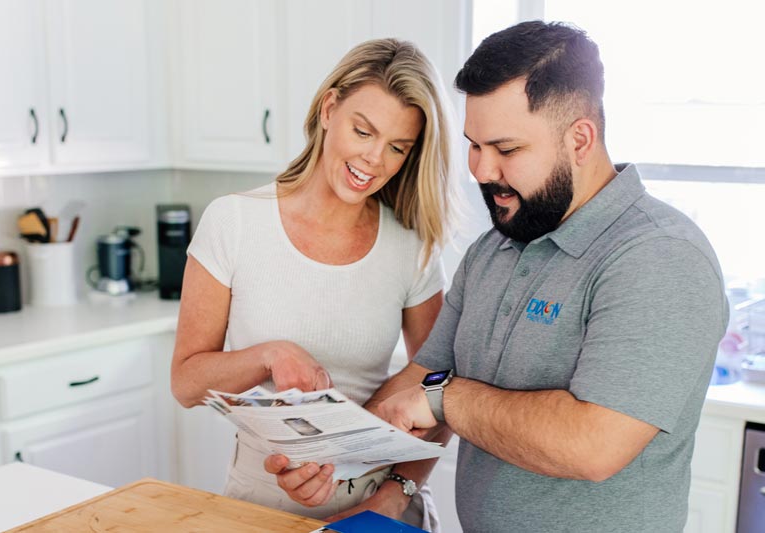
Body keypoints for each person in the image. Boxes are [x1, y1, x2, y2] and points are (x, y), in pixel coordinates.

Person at [284, 21, 730, 533]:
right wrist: (327, 451)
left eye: (507, 149)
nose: (481, 169)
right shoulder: (494, 249)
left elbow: (593, 445)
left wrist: (445, 398)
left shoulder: (658, 257)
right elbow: (423, 374)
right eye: (475, 145)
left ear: (580, 139)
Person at [170, 38, 460, 531]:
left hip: (380, 506)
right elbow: (186, 384)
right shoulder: (234, 221)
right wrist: (270, 354)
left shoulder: (409, 244)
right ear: (329, 108)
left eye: (397, 148)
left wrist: (395, 495)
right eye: (362, 131)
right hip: (260, 501)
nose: (373, 160)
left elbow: (442, 384)